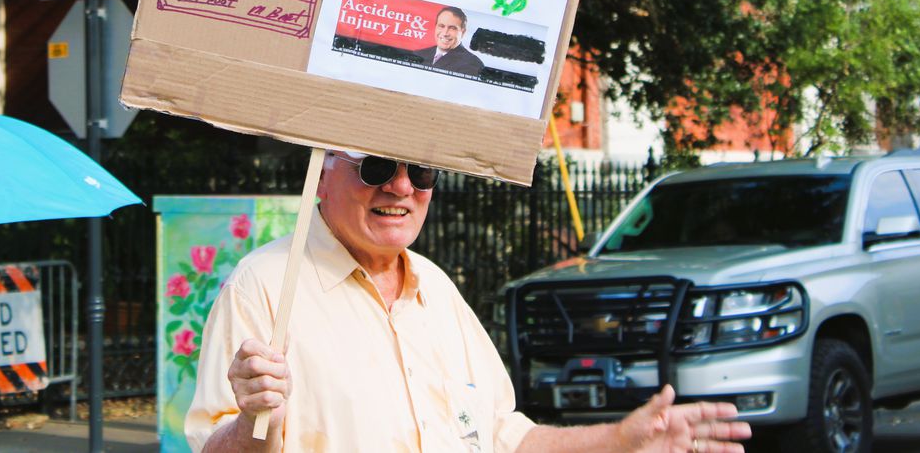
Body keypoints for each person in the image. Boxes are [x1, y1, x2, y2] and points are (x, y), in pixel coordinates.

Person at [186, 150, 751, 452]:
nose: (401, 187)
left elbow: (505, 439)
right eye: (377, 167)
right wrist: (256, 426)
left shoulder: (436, 288)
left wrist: (621, 441)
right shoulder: (262, 286)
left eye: (422, 170)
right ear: (325, 172)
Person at [416, 6, 485, 76]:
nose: (445, 33)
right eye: (441, 26)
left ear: (463, 32)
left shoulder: (473, 64)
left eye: (452, 28)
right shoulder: (419, 54)